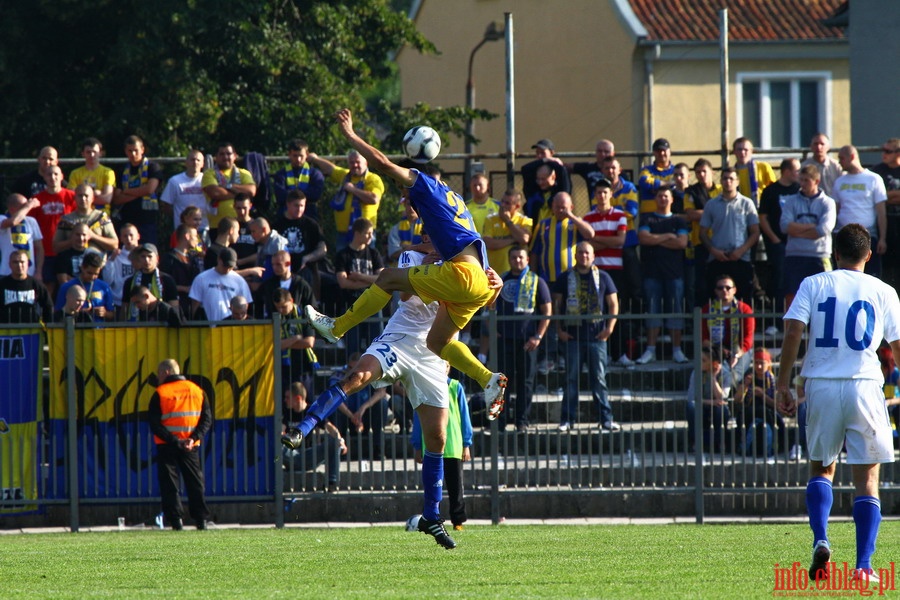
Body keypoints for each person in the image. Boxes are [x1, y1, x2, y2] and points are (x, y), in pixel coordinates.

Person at [286, 238, 498, 549]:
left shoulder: (467, 259)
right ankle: (302, 428)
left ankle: (431, 516)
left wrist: (496, 284)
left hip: (433, 353)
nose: (433, 238)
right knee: (357, 375)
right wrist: (432, 268)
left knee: (437, 437)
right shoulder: (412, 256)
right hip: (400, 337)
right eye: (429, 234)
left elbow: (486, 300)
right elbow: (404, 292)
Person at [304, 108, 508, 418]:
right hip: (478, 283)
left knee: (387, 277)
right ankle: (487, 379)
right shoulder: (456, 201)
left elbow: (383, 163)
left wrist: (351, 135)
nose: (403, 200)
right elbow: (469, 244)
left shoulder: (423, 184)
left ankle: (337, 327)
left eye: (402, 193)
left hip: (462, 276)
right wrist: (493, 281)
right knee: (438, 342)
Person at [775, 223, 900, 582]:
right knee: (868, 479)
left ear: (835, 252)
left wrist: (784, 383)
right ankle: (863, 567)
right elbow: (897, 344)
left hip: (822, 384)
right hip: (865, 384)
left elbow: (794, 330)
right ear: (869, 254)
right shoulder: (883, 290)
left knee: (821, 468)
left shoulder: (814, 284)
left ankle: (821, 538)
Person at [554, 242, 620, 432]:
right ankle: (567, 420)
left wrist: (610, 328)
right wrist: (559, 330)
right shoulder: (564, 277)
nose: (584, 256)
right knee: (570, 380)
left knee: (599, 380)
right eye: (580, 253)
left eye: (587, 253)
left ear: (593, 256)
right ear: (575, 255)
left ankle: (606, 419)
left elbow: (613, 304)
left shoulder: (604, 277)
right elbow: (557, 306)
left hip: (597, 337)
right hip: (572, 337)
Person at [488, 246, 551, 432]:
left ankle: (522, 421)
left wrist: (538, 336)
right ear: (509, 259)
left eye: (520, 257)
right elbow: (489, 306)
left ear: (527, 260)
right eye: (514, 257)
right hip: (504, 340)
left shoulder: (537, 281)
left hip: (528, 342)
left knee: (526, 383)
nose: (517, 260)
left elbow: (547, 311)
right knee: (500, 383)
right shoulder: (501, 280)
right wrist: (494, 330)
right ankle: (499, 423)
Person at [148, 358, 213, 530]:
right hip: (191, 445)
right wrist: (193, 438)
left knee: (170, 485)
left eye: (159, 374)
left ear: (166, 372)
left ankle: (176, 522)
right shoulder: (197, 390)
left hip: (167, 445)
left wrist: (175, 441)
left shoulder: (161, 393)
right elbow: (207, 419)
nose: (158, 378)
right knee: (195, 482)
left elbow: (155, 424)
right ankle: (201, 521)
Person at [410, 366, 472, 530]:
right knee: (431, 484)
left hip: (453, 445)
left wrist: (466, 443)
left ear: (448, 368)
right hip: (430, 446)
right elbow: (418, 418)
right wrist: (417, 445)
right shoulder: (424, 387)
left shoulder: (455, 387)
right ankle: (430, 518)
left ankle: (457, 521)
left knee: (455, 487)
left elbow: (464, 415)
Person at [635, 188, 690, 364]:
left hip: (674, 274)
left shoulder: (679, 220)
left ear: (672, 199)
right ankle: (650, 350)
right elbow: (644, 238)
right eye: (659, 196)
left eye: (666, 196)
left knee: (675, 310)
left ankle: (677, 350)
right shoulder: (647, 218)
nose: (662, 199)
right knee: (653, 311)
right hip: (651, 273)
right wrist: (667, 236)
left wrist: (655, 239)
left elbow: (681, 243)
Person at [699, 167, 760, 303]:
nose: (728, 181)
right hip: (718, 259)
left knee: (744, 300)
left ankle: (743, 325)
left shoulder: (747, 203)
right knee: (716, 300)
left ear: (737, 182)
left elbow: (755, 232)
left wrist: (741, 250)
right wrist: (713, 251)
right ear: (721, 181)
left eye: (731, 178)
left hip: (741, 259)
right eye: (725, 178)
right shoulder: (711, 204)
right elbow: (702, 233)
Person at [779, 165, 836, 310]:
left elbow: (823, 229)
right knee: (792, 296)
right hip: (795, 255)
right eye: (801, 180)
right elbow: (785, 226)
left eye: (806, 181)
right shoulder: (791, 201)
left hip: (819, 256)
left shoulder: (827, 203)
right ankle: (792, 330)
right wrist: (811, 226)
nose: (802, 184)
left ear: (816, 181)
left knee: (823, 296)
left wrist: (796, 229)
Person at [308, 147, 384, 253]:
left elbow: (374, 199)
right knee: (343, 264)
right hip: (343, 233)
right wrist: (315, 159)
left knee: (366, 263)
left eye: (357, 162)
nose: (354, 165)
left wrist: (353, 189)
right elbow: (330, 169)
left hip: (365, 233)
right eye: (351, 162)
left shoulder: (373, 179)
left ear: (366, 163)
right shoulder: (345, 176)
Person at [833, 145, 887, 279]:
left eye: (841, 158)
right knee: (843, 276)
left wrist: (882, 238)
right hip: (843, 235)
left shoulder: (874, 179)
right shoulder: (839, 181)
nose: (839, 162)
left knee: (870, 276)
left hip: (868, 235)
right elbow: (836, 209)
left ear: (852, 157)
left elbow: (881, 212)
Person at [281, 382, 346, 491]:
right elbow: (281, 430)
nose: (285, 400)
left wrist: (340, 441)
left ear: (297, 398)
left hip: (310, 455)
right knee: (277, 445)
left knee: (334, 442)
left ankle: (332, 483)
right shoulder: (287, 412)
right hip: (292, 455)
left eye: (288, 397)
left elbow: (330, 427)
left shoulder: (312, 411)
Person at [334, 217, 384, 354]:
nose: (370, 237)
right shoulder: (343, 255)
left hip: (372, 303)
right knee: (352, 345)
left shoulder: (374, 254)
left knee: (375, 344)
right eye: (367, 233)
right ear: (357, 233)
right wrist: (370, 280)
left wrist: (359, 277)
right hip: (351, 303)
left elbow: (382, 278)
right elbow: (343, 283)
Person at [759, 158, 801, 320]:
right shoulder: (770, 191)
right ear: (787, 171)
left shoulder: (799, 190)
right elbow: (763, 218)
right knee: (778, 280)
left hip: (797, 243)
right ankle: (776, 320)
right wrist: (774, 239)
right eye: (797, 170)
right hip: (777, 244)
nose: (799, 174)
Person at [701, 273, 755, 394]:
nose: (724, 290)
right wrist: (719, 351)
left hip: (739, 349)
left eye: (728, 288)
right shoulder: (707, 309)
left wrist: (736, 355)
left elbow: (748, 338)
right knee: (715, 366)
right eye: (720, 288)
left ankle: (724, 393)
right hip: (714, 348)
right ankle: (719, 393)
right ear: (716, 291)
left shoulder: (744, 309)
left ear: (734, 290)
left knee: (734, 371)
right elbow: (703, 337)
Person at [529, 191, 595, 285]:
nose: (560, 210)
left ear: (571, 207)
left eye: (563, 208)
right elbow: (534, 252)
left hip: (571, 278)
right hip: (547, 278)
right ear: (552, 206)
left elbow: (590, 234)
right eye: (557, 207)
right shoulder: (542, 224)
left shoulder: (576, 224)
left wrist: (571, 216)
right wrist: (533, 275)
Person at [30, 164, 76, 296]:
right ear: (44, 177)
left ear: (62, 176)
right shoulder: (37, 200)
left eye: (56, 174)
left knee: (68, 286)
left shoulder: (71, 196)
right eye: (49, 174)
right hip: (45, 251)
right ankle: (45, 316)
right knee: (47, 288)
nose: (53, 177)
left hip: (66, 250)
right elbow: (31, 226)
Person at [270, 190, 327, 294]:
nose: (299, 209)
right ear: (288, 204)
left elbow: (322, 248)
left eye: (302, 205)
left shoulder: (311, 224)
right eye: (296, 205)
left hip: (305, 269)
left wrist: (307, 258)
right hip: (281, 269)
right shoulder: (277, 225)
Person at [732, 348, 783, 461]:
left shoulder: (773, 381)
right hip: (749, 414)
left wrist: (762, 396)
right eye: (756, 363)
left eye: (762, 363)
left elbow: (778, 405)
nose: (759, 366)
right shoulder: (748, 378)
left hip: (768, 414)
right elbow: (737, 400)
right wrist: (745, 385)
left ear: (768, 363)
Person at [111, 135, 163, 244]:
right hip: (127, 219)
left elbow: (149, 189)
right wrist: (140, 191)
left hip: (147, 219)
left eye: (136, 150)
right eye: (130, 151)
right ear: (125, 151)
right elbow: (117, 198)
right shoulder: (122, 171)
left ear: (142, 150)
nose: (133, 154)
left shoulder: (152, 167)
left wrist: (127, 191)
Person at [203, 143, 257, 233]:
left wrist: (228, 186)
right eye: (222, 154)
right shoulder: (209, 173)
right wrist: (239, 193)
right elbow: (215, 193)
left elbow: (251, 191)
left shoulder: (243, 173)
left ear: (235, 156)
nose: (225, 157)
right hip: (217, 226)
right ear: (216, 157)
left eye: (228, 154)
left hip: (241, 225)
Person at [685, 345, 729, 455]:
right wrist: (711, 402)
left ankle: (720, 442)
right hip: (702, 405)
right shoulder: (696, 373)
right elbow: (691, 397)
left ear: (713, 363)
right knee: (691, 407)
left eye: (703, 360)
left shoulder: (725, 374)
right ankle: (695, 442)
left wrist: (713, 377)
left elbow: (722, 397)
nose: (699, 362)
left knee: (722, 409)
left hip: (716, 407)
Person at [188, 247, 253, 321]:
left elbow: (245, 307)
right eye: (225, 266)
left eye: (230, 267)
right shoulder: (202, 278)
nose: (227, 269)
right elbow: (195, 306)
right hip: (208, 327)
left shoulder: (240, 281)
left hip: (232, 328)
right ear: (218, 259)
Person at [52, 184, 118, 255]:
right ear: (75, 198)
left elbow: (114, 244)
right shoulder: (66, 220)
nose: (83, 198)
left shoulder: (101, 218)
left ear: (93, 198)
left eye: (86, 196)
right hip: (71, 262)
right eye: (80, 196)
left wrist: (93, 236)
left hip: (96, 263)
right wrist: (73, 241)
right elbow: (55, 247)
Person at [120, 243, 179, 320]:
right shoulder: (130, 282)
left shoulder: (167, 280)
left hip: (162, 326)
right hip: (137, 327)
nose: (146, 260)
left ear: (157, 258)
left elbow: (174, 307)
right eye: (143, 256)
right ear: (139, 259)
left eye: (149, 256)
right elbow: (125, 307)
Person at [481, 188, 532, 275]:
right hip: (494, 272)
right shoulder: (490, 219)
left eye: (507, 203)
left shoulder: (524, 221)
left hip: (516, 273)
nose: (503, 205)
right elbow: (489, 243)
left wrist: (507, 221)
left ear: (517, 206)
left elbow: (524, 239)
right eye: (502, 201)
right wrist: (513, 239)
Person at [54, 252, 115, 322]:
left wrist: (105, 313)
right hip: (75, 329)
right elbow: (58, 312)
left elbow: (113, 314)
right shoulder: (67, 287)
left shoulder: (104, 287)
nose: (92, 277)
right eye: (89, 273)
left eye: (96, 274)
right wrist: (79, 313)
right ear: (82, 267)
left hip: (98, 330)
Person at [872, 138, 900, 289]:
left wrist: (887, 196)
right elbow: (878, 198)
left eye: (888, 151)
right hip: (887, 225)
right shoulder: (878, 171)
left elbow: (883, 196)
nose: (884, 154)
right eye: (883, 150)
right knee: (888, 268)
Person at [272, 139, 325, 218]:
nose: (298, 159)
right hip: (285, 216)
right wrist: (303, 193)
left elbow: (315, 195)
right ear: (289, 154)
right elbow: (280, 196)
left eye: (301, 156)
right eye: (295, 156)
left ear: (307, 154)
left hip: (309, 215)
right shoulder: (281, 174)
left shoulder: (315, 174)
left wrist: (291, 195)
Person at [160, 150, 208, 237]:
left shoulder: (207, 180)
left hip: (203, 228)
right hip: (182, 230)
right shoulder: (175, 181)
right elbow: (166, 204)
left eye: (198, 160)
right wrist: (181, 217)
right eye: (192, 159)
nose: (195, 162)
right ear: (186, 162)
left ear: (203, 164)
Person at [257, 250, 315, 320]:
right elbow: (258, 305)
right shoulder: (268, 284)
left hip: (297, 326)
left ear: (288, 264)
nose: (274, 267)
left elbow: (312, 308)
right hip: (274, 327)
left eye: (278, 264)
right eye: (273, 264)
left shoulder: (301, 284)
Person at [0, 250, 53, 324]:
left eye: (22, 262)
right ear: (9, 264)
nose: (19, 265)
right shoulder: (2, 284)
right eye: (15, 262)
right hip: (6, 332)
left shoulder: (36, 284)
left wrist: (47, 326)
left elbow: (48, 306)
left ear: (27, 264)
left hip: (32, 331)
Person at [0, 193, 44, 279]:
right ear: (12, 209)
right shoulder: (2, 219)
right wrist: (29, 205)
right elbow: (13, 222)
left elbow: (39, 248)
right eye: (23, 207)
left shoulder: (31, 221)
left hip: (29, 273)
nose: (27, 209)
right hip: (6, 272)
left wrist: (38, 271)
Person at [102, 223, 141, 311]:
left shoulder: (144, 255)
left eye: (131, 235)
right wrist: (111, 260)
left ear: (138, 236)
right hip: (118, 302)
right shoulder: (115, 256)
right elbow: (107, 281)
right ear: (121, 239)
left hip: (140, 301)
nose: (129, 239)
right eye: (125, 236)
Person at [67, 137, 115, 208]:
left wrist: (82, 197)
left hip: (101, 215)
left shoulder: (108, 172)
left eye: (94, 152)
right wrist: (96, 194)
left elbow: (107, 199)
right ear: (83, 154)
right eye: (88, 152)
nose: (92, 155)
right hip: (80, 215)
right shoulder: (75, 173)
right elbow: (71, 197)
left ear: (100, 153)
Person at [731, 136, 777, 206]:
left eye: (746, 150)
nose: (742, 152)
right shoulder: (732, 173)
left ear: (751, 151)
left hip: (761, 208)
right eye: (739, 149)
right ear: (734, 152)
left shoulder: (763, 167)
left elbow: (774, 190)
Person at [637, 138, 675, 215]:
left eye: (664, 150)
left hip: (670, 215)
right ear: (654, 153)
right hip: (648, 214)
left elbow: (680, 185)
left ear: (669, 152)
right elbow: (643, 181)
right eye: (658, 151)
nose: (661, 153)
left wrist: (654, 186)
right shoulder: (646, 170)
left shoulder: (676, 170)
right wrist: (668, 184)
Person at [248, 217, 288, 283]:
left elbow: (279, 271)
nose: (252, 235)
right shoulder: (262, 243)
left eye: (253, 231)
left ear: (264, 230)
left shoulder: (277, 243)